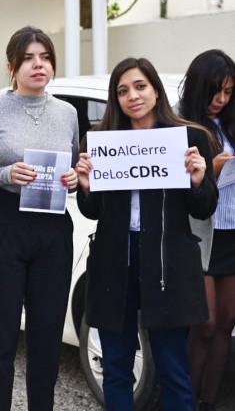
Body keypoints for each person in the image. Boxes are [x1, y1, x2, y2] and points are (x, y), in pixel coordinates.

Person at [75, 57, 218, 411]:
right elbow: (91, 211)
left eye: (140, 86)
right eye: (122, 91)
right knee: (117, 369)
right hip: (114, 261)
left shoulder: (191, 138)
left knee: (173, 369)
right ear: (115, 99)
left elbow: (204, 208)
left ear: (156, 90)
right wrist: (87, 187)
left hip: (168, 263)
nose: (132, 96)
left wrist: (198, 180)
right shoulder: (102, 142)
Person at [0, 26, 79, 411]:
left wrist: (74, 180)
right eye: (29, 58)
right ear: (11, 66)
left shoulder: (67, 113)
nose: (38, 65)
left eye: (45, 57)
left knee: (47, 335)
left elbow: (73, 173)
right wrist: (4, 174)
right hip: (2, 223)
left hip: (52, 226)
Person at [179, 49, 235, 411]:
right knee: (205, 324)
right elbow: (173, 190)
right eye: (216, 91)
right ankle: (185, 401)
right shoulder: (179, 127)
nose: (221, 100)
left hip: (232, 231)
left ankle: (208, 403)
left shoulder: (230, 124)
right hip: (201, 235)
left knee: (225, 326)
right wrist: (211, 171)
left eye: (229, 92)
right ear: (199, 87)